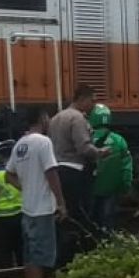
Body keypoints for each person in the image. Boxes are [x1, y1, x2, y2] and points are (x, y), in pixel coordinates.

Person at [6, 106, 68, 278]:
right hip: (42, 208)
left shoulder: (20, 144)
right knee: (41, 253)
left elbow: (9, 175)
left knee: (30, 252)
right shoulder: (43, 142)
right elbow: (51, 173)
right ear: (42, 118)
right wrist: (60, 202)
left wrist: (26, 187)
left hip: (27, 208)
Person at [48, 84, 107, 238]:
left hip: (59, 168)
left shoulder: (56, 118)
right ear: (82, 99)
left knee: (64, 211)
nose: (93, 105)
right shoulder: (77, 118)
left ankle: (63, 246)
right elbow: (84, 147)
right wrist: (100, 152)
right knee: (79, 212)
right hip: (75, 171)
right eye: (92, 101)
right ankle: (78, 247)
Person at [88, 103, 132, 234]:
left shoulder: (86, 139)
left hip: (90, 190)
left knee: (89, 222)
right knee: (107, 222)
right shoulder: (119, 140)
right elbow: (127, 168)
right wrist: (125, 187)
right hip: (110, 191)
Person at [0, 139, 23, 268]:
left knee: (4, 250)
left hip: (3, 217)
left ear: (0, 155)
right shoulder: (22, 168)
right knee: (21, 249)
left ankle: (6, 276)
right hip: (22, 214)